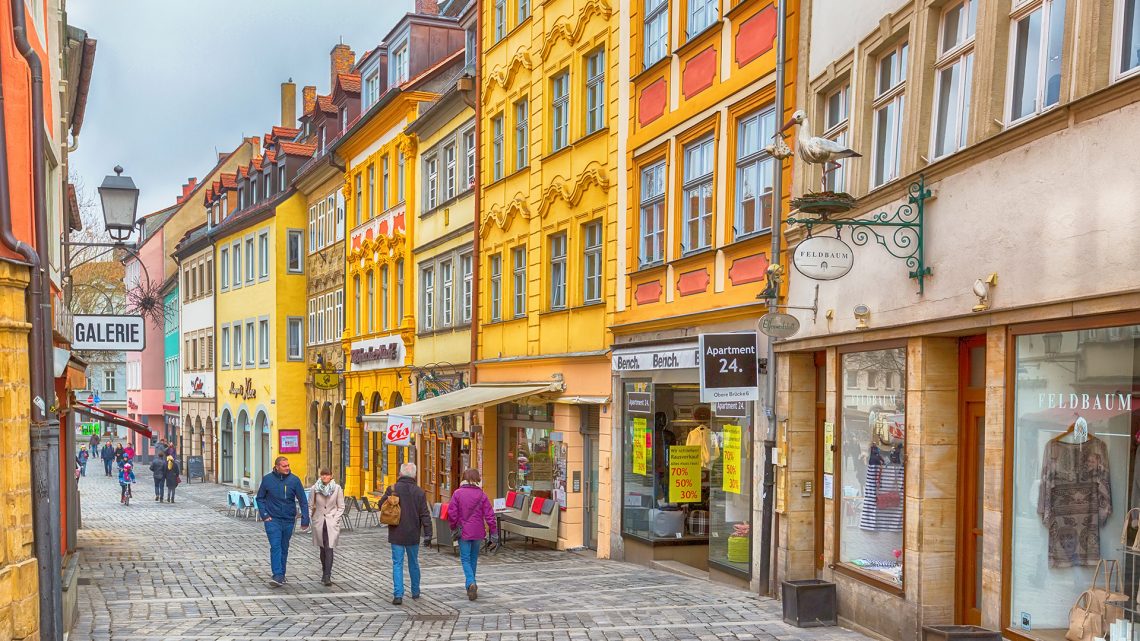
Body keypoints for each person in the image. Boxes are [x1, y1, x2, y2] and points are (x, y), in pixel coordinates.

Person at [380, 462, 432, 605]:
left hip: (396, 532)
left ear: (400, 474)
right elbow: (425, 514)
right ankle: (415, 591)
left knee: (397, 563)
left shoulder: (393, 489)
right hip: (413, 533)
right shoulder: (420, 492)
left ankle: (398, 594)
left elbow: (380, 505)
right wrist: (428, 534)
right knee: (413, 563)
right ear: (414, 475)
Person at [255, 456, 310, 587]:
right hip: (272, 519)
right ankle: (277, 575)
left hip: (288, 520)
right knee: (275, 546)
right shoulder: (267, 479)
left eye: (288, 466)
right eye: (284, 466)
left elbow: (303, 501)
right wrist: (265, 515)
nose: (287, 468)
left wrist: (305, 519)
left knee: (284, 547)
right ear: (277, 466)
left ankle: (282, 574)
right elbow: (260, 498)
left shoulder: (294, 480)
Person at [447, 468, 497, 601]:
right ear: (477, 479)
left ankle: (470, 582)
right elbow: (490, 515)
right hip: (478, 531)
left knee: (465, 559)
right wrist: (494, 532)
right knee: (473, 558)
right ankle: (471, 585)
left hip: (463, 532)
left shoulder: (457, 493)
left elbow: (452, 514)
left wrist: (453, 527)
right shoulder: (482, 495)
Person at [309, 467, 345, 586]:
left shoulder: (337, 488)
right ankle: (324, 571)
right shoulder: (315, 488)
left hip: (331, 522)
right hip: (319, 521)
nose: (324, 477)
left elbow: (341, 506)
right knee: (322, 548)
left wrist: (335, 519)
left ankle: (327, 575)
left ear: (331, 476)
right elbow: (310, 505)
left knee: (329, 548)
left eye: (327, 475)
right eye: (322, 475)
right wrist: (311, 519)